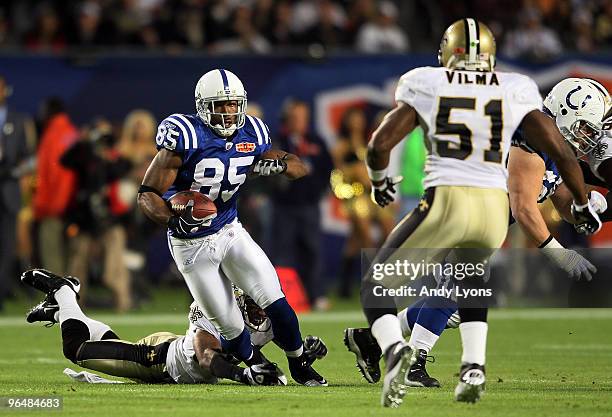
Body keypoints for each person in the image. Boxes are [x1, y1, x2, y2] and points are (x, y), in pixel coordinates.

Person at [358, 18, 601, 407]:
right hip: (491, 210)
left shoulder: (428, 81)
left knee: (385, 285)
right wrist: (567, 237)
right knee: (461, 288)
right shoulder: (516, 92)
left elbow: (380, 142)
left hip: (450, 199)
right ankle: (466, 364)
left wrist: (584, 204)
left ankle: (393, 349)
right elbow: (530, 198)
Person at [136, 69, 327, 386]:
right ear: (202, 106)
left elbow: (299, 166)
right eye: (219, 105)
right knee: (228, 325)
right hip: (190, 242)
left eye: (232, 104)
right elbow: (147, 195)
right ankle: (258, 364)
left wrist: (277, 164)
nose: (227, 112)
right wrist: (172, 217)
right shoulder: (185, 135)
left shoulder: (252, 131)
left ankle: (299, 363)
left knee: (275, 300)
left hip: (228, 230)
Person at [21, 268, 327, 385]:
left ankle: (60, 309)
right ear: (241, 295)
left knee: (111, 344)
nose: (263, 307)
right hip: (157, 359)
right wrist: (242, 374)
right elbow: (206, 357)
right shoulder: (217, 307)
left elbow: (289, 350)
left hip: (172, 362)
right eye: (256, 299)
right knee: (76, 349)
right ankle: (64, 295)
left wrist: (306, 352)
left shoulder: (274, 317)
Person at [270, 99, 333, 307]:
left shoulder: (316, 141)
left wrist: (318, 191)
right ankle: (282, 297)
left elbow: (328, 170)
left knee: (313, 251)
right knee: (283, 253)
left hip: (309, 205)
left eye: (303, 117)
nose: (300, 122)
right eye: (296, 117)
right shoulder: (278, 142)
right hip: (284, 206)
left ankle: (316, 295)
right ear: (287, 119)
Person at [0, 75, 36, 310]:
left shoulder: (19, 120)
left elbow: (32, 158)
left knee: (7, 246)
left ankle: (1, 294)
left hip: (8, 190)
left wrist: (15, 171)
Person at [33, 97, 78, 275]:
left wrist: (49, 206)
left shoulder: (53, 135)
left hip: (54, 206)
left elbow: (55, 175)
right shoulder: (72, 133)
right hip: (72, 206)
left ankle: (58, 298)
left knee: (52, 255)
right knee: (69, 256)